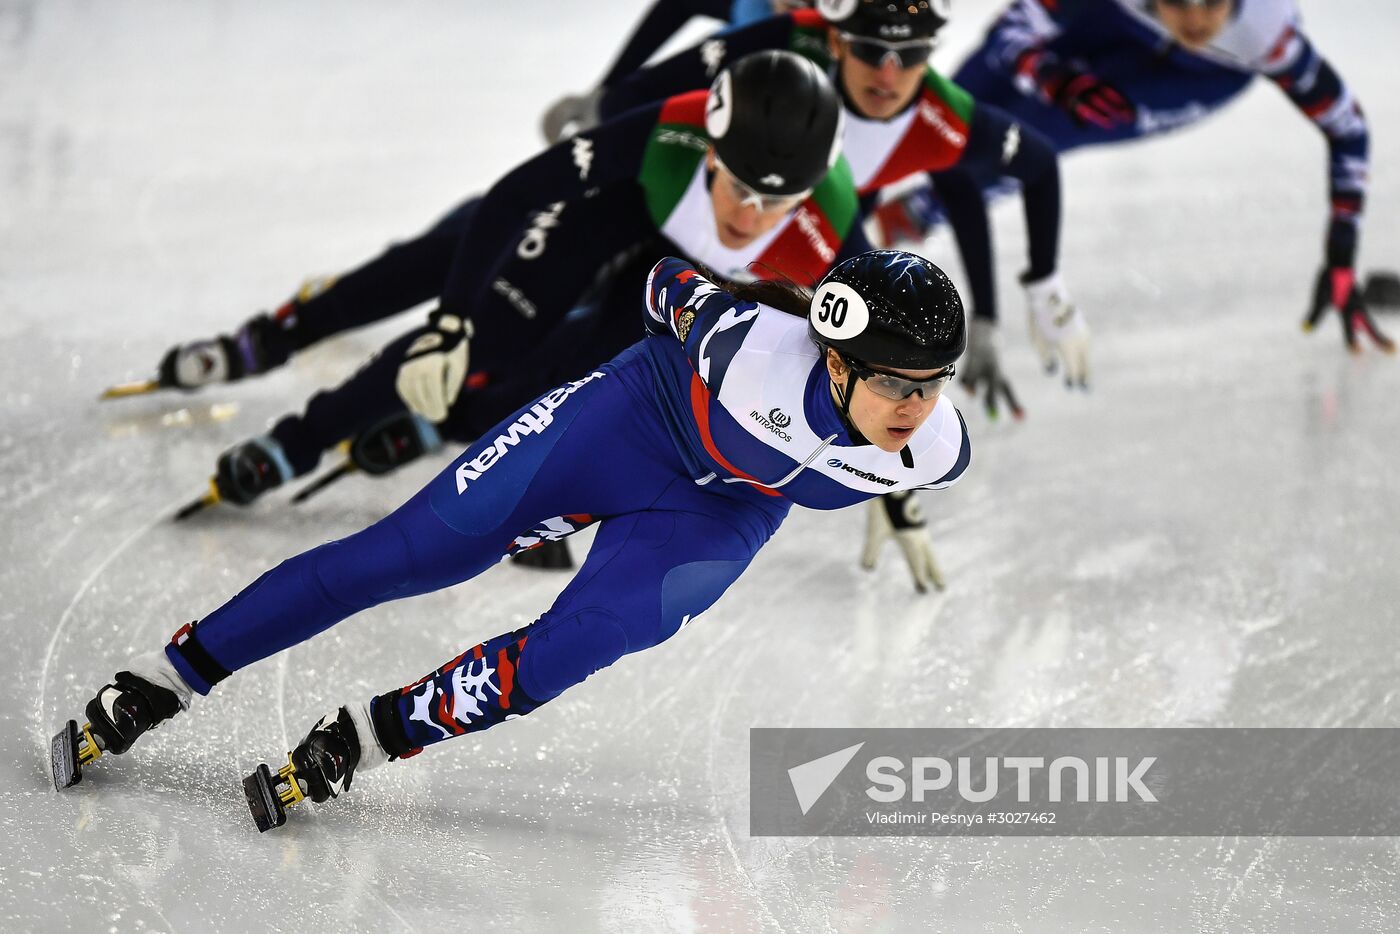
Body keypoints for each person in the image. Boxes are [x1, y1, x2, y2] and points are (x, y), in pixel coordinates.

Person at [51, 250, 973, 834]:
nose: (916, 406)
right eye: (897, 382)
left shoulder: (932, 446)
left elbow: (882, 456)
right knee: (407, 556)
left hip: (721, 508)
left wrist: (896, 501)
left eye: (934, 383)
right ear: (838, 360)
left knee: (588, 640)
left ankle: (370, 735)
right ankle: (166, 679)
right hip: (633, 421)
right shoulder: (749, 351)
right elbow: (661, 282)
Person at [589, 0, 1088, 418]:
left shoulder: (939, 117)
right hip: (689, 202)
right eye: (870, 49)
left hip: (790, 236)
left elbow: (973, 183)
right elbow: (652, 98)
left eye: (909, 54)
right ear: (838, 41)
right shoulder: (790, 40)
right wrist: (601, 125)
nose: (888, 74)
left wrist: (1013, 301)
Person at [952, 0, 1392, 353]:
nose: (1196, 18)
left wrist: (1340, 255)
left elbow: (1347, 127)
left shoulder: (1267, 30)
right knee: (947, 108)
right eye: (1180, 2)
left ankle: (919, 213)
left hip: (1205, 70)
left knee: (1057, 124)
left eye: (1213, 3)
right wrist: (1052, 77)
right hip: (1112, 16)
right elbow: (1006, 35)